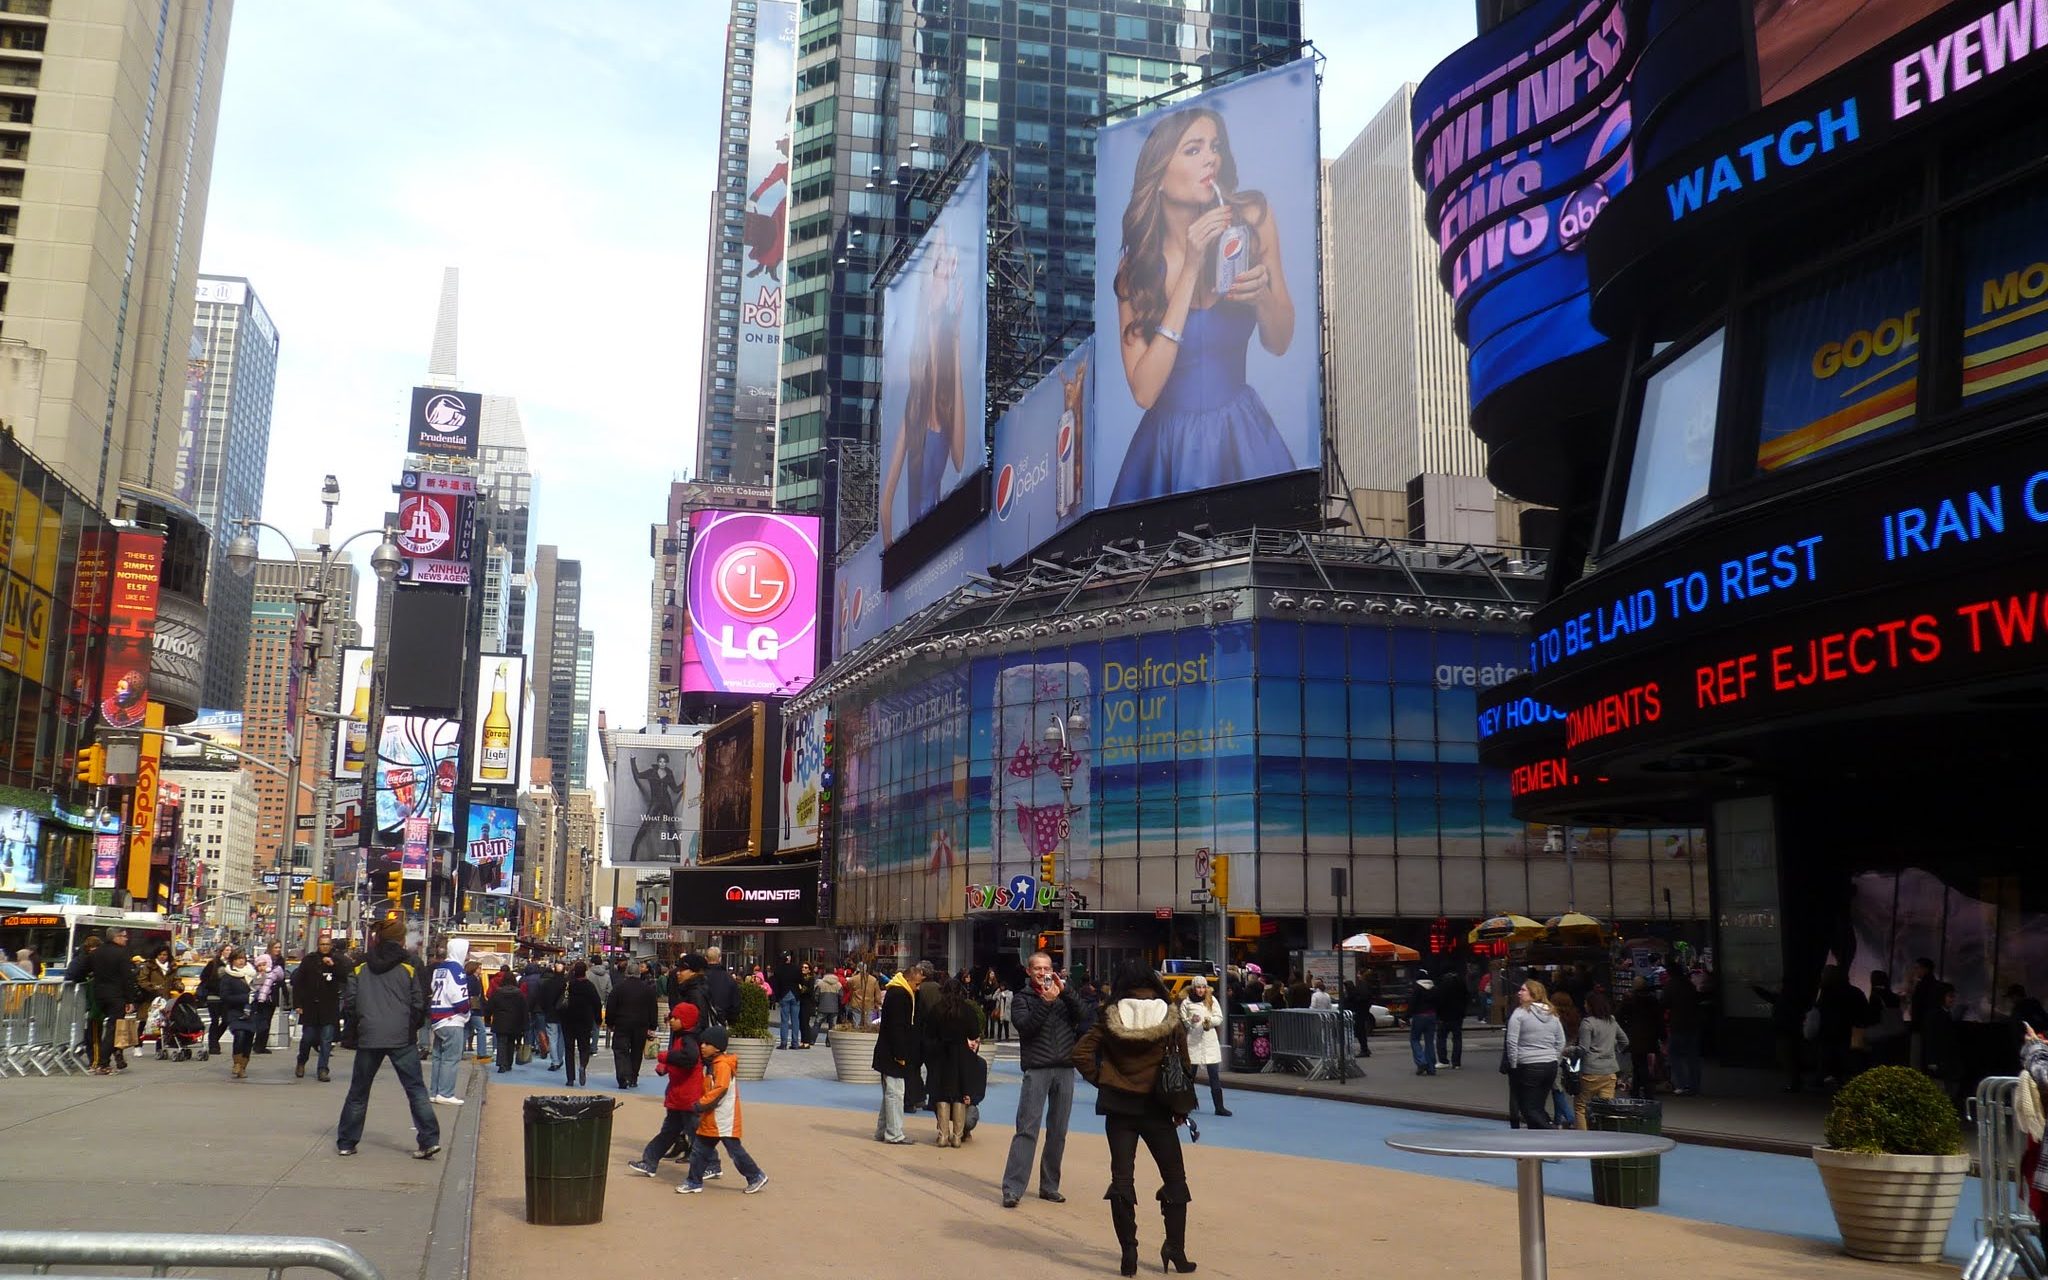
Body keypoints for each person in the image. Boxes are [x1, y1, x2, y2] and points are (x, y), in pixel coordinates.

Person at [1108, 103, 1297, 505]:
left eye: (1214, 146)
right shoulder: (1136, 269)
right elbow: (1144, 392)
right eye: (1192, 149)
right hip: (1166, 455)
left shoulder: (1250, 217)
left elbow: (1280, 342)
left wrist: (1261, 295)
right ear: (1158, 175)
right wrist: (1191, 265)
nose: (1210, 157)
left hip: (1242, 437)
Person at [1073, 963, 1198, 1277]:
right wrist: (1179, 1103)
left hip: (1119, 1109)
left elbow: (1080, 1053)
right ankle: (1175, 1250)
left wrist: (1103, 1079)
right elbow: (1184, 1063)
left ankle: (1129, 1253)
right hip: (1158, 1108)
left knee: (1122, 1180)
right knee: (1175, 1178)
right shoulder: (1169, 1015)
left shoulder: (1109, 1015)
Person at [878, 223, 968, 543]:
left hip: (941, 543)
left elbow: (960, 457)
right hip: (918, 551)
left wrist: (955, 341)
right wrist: (891, 554)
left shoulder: (944, 393)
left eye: (950, 263)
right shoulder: (912, 405)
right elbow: (885, 504)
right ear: (925, 283)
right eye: (939, 264)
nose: (947, 270)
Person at [336, 908, 440, 1160]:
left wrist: (360, 1023)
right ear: (401, 939)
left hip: (369, 1034)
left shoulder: (360, 964)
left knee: (359, 1090)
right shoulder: (411, 965)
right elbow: (419, 1002)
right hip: (401, 1035)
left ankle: (347, 1142)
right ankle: (428, 1139)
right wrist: (410, 1026)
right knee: (415, 1088)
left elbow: (349, 1001)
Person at [677, 1026, 770, 1195]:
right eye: (702, 1043)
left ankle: (755, 1175)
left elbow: (719, 1090)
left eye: (707, 1043)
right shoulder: (715, 1064)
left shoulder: (722, 1066)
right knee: (700, 1150)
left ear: (718, 1047)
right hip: (714, 1118)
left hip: (722, 1118)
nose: (702, 1046)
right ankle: (694, 1181)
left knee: (733, 1151)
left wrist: (700, 1105)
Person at [629, 1001, 706, 1179]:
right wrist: (666, 1065)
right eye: (671, 1017)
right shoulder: (683, 1038)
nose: (671, 1020)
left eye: (676, 1018)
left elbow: (689, 1059)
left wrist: (666, 1057)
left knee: (694, 1133)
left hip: (687, 1096)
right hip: (680, 1095)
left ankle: (711, 1164)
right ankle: (650, 1161)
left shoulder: (689, 1040)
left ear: (685, 1021)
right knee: (673, 1131)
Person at [873, 961, 928, 1145]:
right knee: (895, 1093)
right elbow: (897, 1028)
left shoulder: (899, 992)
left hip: (890, 1052)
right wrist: (900, 1054)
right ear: (909, 979)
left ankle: (884, 1131)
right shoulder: (900, 995)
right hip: (893, 1054)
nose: (918, 988)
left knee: (891, 1093)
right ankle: (894, 1133)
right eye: (917, 984)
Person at [926, 976, 982, 1147]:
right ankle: (957, 1137)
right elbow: (974, 1033)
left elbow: (929, 1033)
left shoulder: (937, 1009)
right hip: (961, 1054)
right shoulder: (967, 1010)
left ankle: (943, 1135)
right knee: (959, 1093)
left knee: (941, 1093)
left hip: (940, 1054)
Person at [1506, 979, 1566, 1130]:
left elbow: (1512, 1042)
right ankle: (1538, 1143)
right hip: (1550, 1064)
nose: (1519, 993)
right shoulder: (1552, 1013)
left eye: (1523, 990)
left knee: (1528, 1108)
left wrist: (1514, 1064)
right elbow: (1561, 1040)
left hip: (1528, 1064)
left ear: (1533, 994)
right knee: (1538, 1105)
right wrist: (1555, 1058)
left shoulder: (1520, 1013)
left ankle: (1550, 1131)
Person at [83, 925, 142, 1075]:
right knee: (113, 1029)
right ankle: (103, 1063)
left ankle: (97, 1060)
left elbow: (83, 970)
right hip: (117, 996)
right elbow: (127, 978)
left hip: (98, 995)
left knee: (97, 1027)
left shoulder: (96, 953)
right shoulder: (122, 954)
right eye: (124, 936)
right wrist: (130, 1000)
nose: (126, 939)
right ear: (115, 937)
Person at [292, 936, 347, 1082]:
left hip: (328, 1008)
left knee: (326, 1040)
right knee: (307, 1039)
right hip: (310, 1007)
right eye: (322, 944)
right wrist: (297, 1004)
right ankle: (301, 1061)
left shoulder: (336, 960)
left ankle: (323, 1069)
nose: (325, 947)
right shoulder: (309, 960)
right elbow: (298, 983)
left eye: (327, 944)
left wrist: (333, 965)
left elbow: (345, 976)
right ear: (318, 945)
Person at [1574, 989, 1630, 1129]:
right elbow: (1625, 1041)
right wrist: (1612, 1048)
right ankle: (1605, 1139)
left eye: (1586, 1003)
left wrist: (1567, 1051)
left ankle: (1583, 1141)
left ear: (1591, 1006)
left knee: (1581, 1106)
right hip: (1610, 1071)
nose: (1585, 1005)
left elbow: (1583, 1049)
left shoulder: (1587, 1023)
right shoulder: (1611, 1020)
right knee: (1605, 1109)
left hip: (1591, 1071)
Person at [427, 938, 472, 1106]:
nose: (468, 956)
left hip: (437, 1016)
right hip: (452, 1018)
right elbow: (459, 997)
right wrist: (466, 1011)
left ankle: (435, 1091)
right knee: (451, 1058)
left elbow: (433, 987)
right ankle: (446, 1093)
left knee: (438, 1057)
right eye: (467, 952)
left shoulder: (440, 968)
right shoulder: (457, 970)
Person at [1179, 977, 1230, 1117]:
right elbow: (1183, 1021)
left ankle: (1219, 1107)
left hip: (1209, 1042)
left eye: (1203, 987)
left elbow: (1219, 1017)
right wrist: (1191, 1020)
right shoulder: (1186, 1003)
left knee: (1214, 1075)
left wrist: (1210, 1021)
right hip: (1193, 1042)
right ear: (1193, 987)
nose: (1201, 990)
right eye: (1198, 987)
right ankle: (1186, 1105)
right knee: (1190, 1076)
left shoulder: (1212, 1000)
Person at [607, 961, 659, 1088]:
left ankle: (622, 1077)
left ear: (626, 973)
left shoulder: (618, 988)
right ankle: (633, 1077)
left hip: (622, 1023)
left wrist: (610, 1022)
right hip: (641, 1024)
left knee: (620, 1050)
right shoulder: (647, 989)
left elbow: (611, 1006)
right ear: (638, 973)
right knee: (636, 1051)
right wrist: (652, 1025)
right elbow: (653, 1008)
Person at [1814, 963, 1867, 1088]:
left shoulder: (1826, 991)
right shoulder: (1854, 991)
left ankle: (1825, 1078)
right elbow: (1863, 1009)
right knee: (1844, 1055)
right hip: (1847, 1029)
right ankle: (1841, 1078)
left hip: (1829, 1029)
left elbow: (1821, 1009)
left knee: (1827, 1054)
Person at [558, 960, 603, 1087]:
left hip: (568, 1020)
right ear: (585, 972)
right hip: (584, 1020)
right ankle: (583, 1065)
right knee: (584, 1047)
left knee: (569, 1049)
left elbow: (559, 1000)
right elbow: (597, 1003)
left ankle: (570, 1078)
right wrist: (598, 1019)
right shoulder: (589, 986)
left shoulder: (568, 985)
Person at [1664, 963, 1705, 1094]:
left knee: (1674, 1055)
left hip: (1678, 1024)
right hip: (1693, 1024)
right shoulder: (1689, 985)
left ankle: (1681, 1084)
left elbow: (1665, 1003)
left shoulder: (1670, 986)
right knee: (1693, 1056)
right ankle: (1694, 1086)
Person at [1623, 979, 1666, 1098]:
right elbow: (1659, 1020)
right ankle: (1639, 1090)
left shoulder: (1630, 1000)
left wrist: (1626, 1029)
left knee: (1639, 1064)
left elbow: (1619, 1015)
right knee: (1641, 1065)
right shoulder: (1653, 1001)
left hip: (1635, 1036)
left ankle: (1642, 1090)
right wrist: (1663, 1037)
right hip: (1650, 1036)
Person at [217, 948, 257, 1079]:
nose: (241, 961)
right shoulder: (228, 977)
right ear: (232, 961)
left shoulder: (252, 974)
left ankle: (243, 1067)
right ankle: (237, 1064)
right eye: (238, 958)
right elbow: (224, 996)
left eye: (243, 958)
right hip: (235, 1011)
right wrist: (245, 998)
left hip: (251, 1012)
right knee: (239, 1035)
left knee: (248, 1038)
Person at [484, 965, 527, 1074]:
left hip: (500, 1020)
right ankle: (508, 1063)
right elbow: (524, 1009)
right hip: (514, 1021)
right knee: (511, 1042)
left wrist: (488, 1018)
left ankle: (501, 1064)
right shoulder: (519, 993)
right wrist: (525, 1023)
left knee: (501, 1042)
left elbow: (490, 1006)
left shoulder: (498, 992)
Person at [1548, 990, 1581, 1128]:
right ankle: (1557, 1119)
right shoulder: (1575, 1016)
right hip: (1572, 1054)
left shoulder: (1554, 1018)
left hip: (1558, 1054)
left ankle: (1569, 1117)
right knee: (1562, 1085)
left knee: (1557, 1088)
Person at [249, 953, 284, 1056]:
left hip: (267, 1001)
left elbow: (270, 985)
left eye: (263, 965)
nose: (261, 968)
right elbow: (253, 987)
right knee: (260, 1023)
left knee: (265, 1023)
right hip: (258, 1001)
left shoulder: (271, 974)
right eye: (259, 966)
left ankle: (260, 1045)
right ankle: (258, 1045)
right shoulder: (258, 975)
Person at [198, 945, 230, 1058]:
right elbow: (203, 977)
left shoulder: (232, 964)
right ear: (221, 952)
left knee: (227, 1020)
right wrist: (215, 985)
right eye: (227, 950)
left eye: (230, 950)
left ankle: (215, 1039)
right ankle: (213, 1045)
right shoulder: (213, 963)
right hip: (214, 997)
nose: (229, 952)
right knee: (215, 1020)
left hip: (226, 998)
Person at [1435, 966, 1470, 1069]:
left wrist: (1438, 1014)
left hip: (1444, 1016)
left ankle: (1443, 1060)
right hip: (1457, 1015)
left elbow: (1439, 1001)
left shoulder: (1442, 985)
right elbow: (1466, 998)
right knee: (1457, 1039)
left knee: (1441, 1038)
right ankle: (1456, 1062)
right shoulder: (1460, 983)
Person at [701, 945, 741, 1028]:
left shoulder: (699, 977)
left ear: (706, 958)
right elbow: (735, 1004)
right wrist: (730, 1020)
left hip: (701, 1021)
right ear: (719, 959)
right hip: (721, 1021)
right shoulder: (729, 979)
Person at [1409, 975, 1440, 1076]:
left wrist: (1405, 1017)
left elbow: (1413, 1003)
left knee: (1414, 1039)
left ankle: (1421, 1062)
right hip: (1432, 1015)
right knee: (1429, 1042)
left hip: (1419, 1015)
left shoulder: (1417, 988)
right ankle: (1431, 1068)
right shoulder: (1434, 988)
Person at [771, 951, 802, 1050]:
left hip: (784, 994)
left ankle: (783, 1043)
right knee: (795, 1020)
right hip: (795, 994)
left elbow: (775, 984)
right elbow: (801, 981)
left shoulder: (778, 969)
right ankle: (795, 1043)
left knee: (784, 1020)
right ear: (789, 958)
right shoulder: (796, 968)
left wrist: (778, 996)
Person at [464, 957, 489, 1062]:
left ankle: (459, 1051)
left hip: (473, 1007)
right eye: (479, 968)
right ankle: (482, 1053)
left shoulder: (475, 979)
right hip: (473, 1007)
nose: (481, 970)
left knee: (467, 1030)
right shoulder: (471, 980)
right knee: (481, 1030)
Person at [846, 962, 881, 1028]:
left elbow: (848, 987)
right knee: (868, 1024)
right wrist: (878, 1004)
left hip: (856, 1003)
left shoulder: (853, 979)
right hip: (869, 1003)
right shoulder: (873, 980)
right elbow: (877, 993)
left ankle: (856, 1036)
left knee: (856, 1023)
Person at [814, 966, 842, 1043]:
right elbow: (841, 996)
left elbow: (816, 995)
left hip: (822, 1006)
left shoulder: (820, 983)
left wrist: (817, 1004)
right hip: (834, 1008)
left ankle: (812, 1040)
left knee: (817, 1023)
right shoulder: (838, 984)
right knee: (832, 1025)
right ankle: (829, 1042)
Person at [796, 961, 819, 1048]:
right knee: (801, 1022)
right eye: (802, 967)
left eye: (806, 967)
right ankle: (802, 1040)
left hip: (807, 1003)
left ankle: (807, 1041)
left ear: (809, 970)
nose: (803, 969)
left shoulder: (810, 978)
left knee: (805, 1022)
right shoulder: (800, 977)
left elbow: (808, 991)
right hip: (801, 1001)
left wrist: (801, 989)